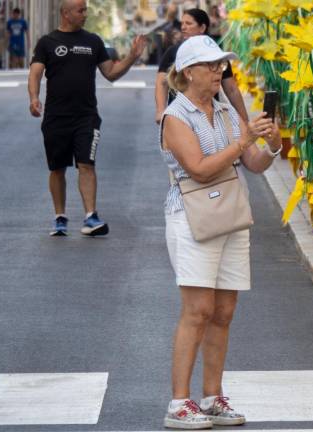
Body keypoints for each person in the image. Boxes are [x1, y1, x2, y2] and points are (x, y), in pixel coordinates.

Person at [159, 35, 281, 429]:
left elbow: (254, 164)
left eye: (221, 65)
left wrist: (272, 144)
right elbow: (198, 168)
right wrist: (244, 140)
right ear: (188, 72)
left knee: (224, 312)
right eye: (210, 65)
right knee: (197, 310)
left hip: (230, 213)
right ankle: (179, 403)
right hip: (193, 217)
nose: (219, 71)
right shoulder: (175, 118)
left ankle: (212, 397)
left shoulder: (227, 111)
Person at [28, 0, 146, 236]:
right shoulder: (47, 42)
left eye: (86, 10)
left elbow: (111, 73)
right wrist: (33, 97)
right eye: (80, 11)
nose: (85, 15)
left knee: (86, 164)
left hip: (86, 116)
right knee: (57, 168)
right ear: (66, 14)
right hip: (56, 117)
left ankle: (91, 217)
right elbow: (36, 72)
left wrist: (132, 56)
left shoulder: (93, 41)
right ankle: (60, 217)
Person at [154, 8, 248, 125]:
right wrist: (160, 110)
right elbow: (161, 83)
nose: (183, 27)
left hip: (212, 117)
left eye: (188, 23)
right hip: (181, 117)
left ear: (202, 28)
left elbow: (232, 89)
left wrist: (245, 121)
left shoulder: (217, 54)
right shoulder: (173, 52)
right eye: (182, 23)